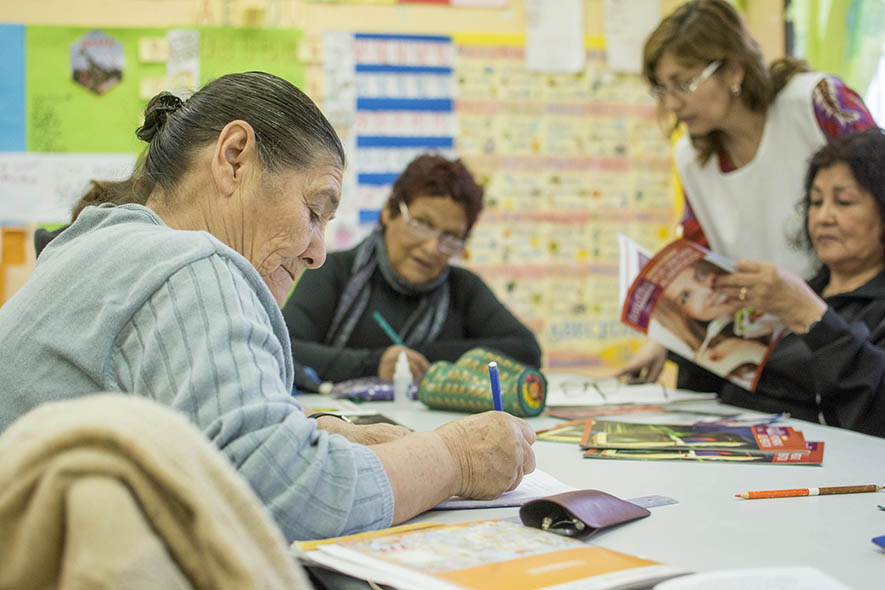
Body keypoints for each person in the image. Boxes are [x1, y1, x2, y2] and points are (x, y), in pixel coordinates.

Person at [0, 72, 536, 542]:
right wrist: (456, 458)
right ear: (234, 157)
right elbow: (286, 498)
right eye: (313, 210)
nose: (319, 252)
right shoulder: (186, 262)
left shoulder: (95, 243)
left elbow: (188, 433)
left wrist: (318, 432)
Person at [622, 0, 876, 384]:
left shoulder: (814, 102)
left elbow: (879, 179)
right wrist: (665, 337)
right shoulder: (692, 158)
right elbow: (699, 260)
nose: (673, 103)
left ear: (734, 68)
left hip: (853, 322)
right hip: (763, 350)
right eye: (662, 89)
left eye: (684, 83)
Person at [282, 154, 542, 384]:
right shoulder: (334, 270)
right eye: (422, 224)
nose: (432, 247)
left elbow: (526, 351)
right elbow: (284, 347)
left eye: (451, 237)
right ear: (389, 212)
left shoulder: (463, 288)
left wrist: (417, 358)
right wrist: (374, 364)